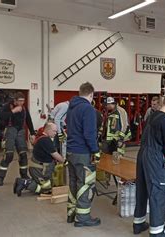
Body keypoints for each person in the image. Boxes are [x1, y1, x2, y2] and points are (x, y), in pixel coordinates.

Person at [133, 95, 165, 237]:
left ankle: (138, 224)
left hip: (142, 154)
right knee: (157, 191)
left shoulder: (151, 116)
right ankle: (157, 232)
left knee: (142, 189)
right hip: (154, 156)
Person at [66, 82, 101, 227]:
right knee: (85, 185)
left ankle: (71, 213)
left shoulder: (71, 107)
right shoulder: (88, 109)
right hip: (82, 152)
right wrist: (96, 151)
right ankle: (83, 218)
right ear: (91, 94)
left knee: (74, 182)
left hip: (70, 151)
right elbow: (89, 134)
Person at [13, 122, 65, 196]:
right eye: (54, 131)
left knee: (50, 184)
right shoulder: (46, 140)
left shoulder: (42, 137)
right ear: (48, 130)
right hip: (40, 170)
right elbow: (55, 154)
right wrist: (64, 161)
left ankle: (29, 182)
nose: (55, 133)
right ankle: (24, 183)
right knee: (46, 189)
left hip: (37, 169)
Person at [0, 92, 37, 186]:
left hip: (20, 131)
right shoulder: (7, 106)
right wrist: (13, 111)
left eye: (23, 101)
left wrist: (32, 133)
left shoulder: (24, 108)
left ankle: (24, 175)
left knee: (23, 155)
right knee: (9, 155)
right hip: (10, 131)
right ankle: (0, 178)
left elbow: (28, 120)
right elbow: (1, 117)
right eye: (19, 101)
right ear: (15, 100)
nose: (21, 103)